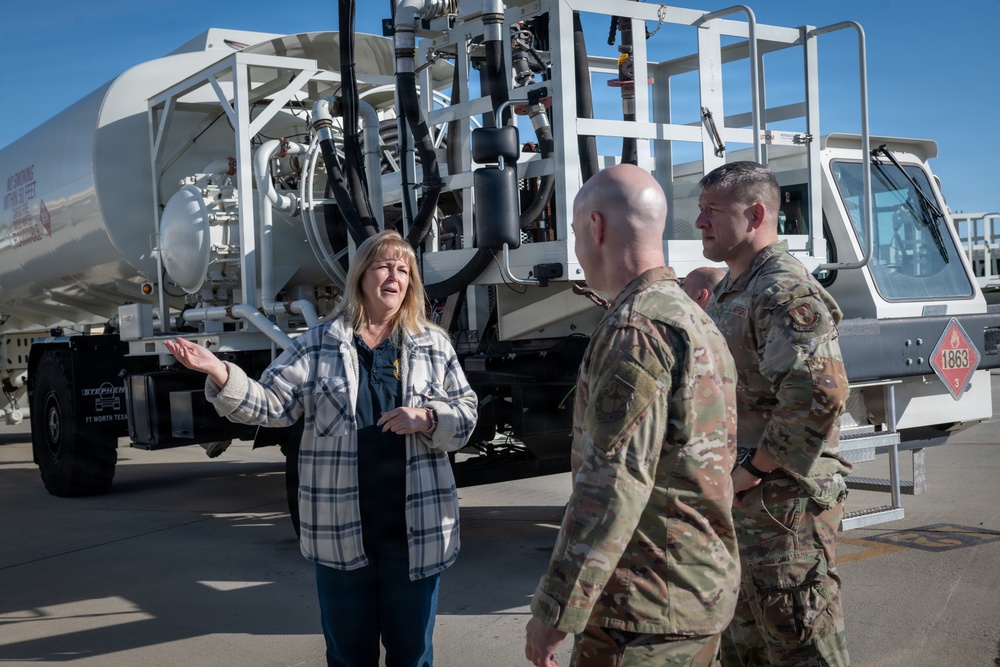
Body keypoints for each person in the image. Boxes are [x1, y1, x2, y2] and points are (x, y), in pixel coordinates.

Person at [165, 230, 478, 667]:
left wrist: (427, 418)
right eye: (384, 266)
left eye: (404, 269)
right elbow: (272, 405)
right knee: (348, 657)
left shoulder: (433, 344)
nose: (395, 276)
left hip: (415, 536)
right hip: (341, 536)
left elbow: (466, 413)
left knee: (413, 656)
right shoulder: (318, 344)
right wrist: (220, 371)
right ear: (362, 276)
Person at [524, 164, 740, 667]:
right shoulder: (691, 316)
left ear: (596, 227)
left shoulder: (635, 331)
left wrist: (557, 611)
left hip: (641, 613)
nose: (577, 247)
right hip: (689, 594)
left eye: (576, 232)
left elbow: (611, 487)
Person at [695, 161, 851, 666]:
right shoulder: (731, 289)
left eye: (712, 211)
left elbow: (819, 394)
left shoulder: (783, 291)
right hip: (745, 505)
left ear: (756, 213)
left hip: (783, 508)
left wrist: (752, 471)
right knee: (744, 646)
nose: (700, 223)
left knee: (799, 642)